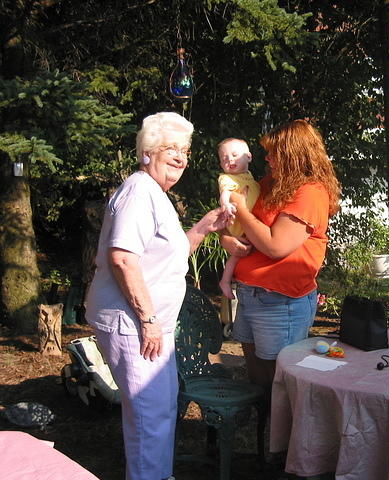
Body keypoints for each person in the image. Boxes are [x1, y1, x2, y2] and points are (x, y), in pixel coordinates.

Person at [85, 112, 230, 480]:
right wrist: (148, 320)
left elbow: (169, 255)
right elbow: (122, 258)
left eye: (185, 150)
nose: (181, 156)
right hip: (134, 323)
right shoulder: (139, 191)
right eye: (171, 148)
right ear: (148, 152)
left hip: (154, 325)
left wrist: (202, 228)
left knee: (160, 409)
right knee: (149, 415)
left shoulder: (157, 194)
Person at [220, 119, 341, 395]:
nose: (268, 158)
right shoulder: (270, 184)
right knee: (257, 378)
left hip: (281, 300)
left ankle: (287, 435)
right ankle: (265, 434)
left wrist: (241, 209)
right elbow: (235, 227)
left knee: (280, 382)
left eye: (275, 153)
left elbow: (276, 246)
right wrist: (227, 239)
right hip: (251, 294)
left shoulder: (310, 192)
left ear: (294, 155)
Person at [217, 138, 260, 299]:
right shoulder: (227, 178)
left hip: (249, 225)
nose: (230, 160)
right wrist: (226, 204)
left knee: (240, 256)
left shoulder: (250, 178)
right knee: (235, 256)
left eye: (235, 155)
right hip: (237, 225)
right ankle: (225, 281)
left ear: (248, 157)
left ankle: (231, 281)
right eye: (224, 158)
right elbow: (225, 193)